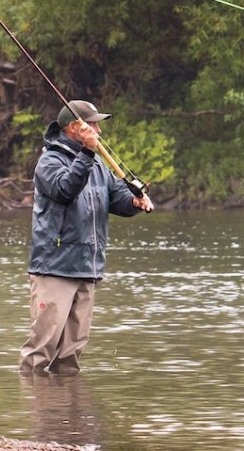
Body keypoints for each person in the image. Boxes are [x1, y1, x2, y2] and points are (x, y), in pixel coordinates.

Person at [18, 99, 154, 375]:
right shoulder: (50, 161)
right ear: (73, 128)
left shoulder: (97, 164)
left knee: (71, 356)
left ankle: (68, 413)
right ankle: (33, 412)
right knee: (40, 351)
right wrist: (87, 154)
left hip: (87, 268)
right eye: (92, 124)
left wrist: (134, 203)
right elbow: (65, 189)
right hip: (54, 268)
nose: (98, 131)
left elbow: (116, 197)